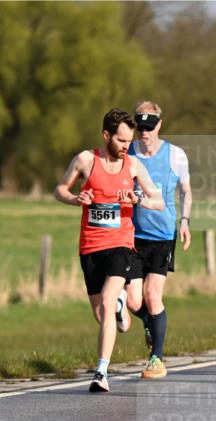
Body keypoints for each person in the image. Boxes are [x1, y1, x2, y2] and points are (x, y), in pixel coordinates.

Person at [54, 108, 164, 393]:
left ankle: (101, 372)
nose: (126, 146)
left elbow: (159, 201)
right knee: (102, 314)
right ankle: (118, 308)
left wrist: (138, 199)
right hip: (90, 246)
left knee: (106, 298)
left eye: (129, 141)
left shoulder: (134, 166)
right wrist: (76, 198)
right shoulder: (86, 160)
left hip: (121, 245)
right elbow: (59, 189)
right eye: (121, 141)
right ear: (106, 136)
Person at [125, 101, 193, 379]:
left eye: (150, 127)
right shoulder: (127, 152)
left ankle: (157, 358)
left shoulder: (175, 155)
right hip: (131, 234)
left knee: (153, 296)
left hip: (163, 235)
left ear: (159, 125)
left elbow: (186, 191)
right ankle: (152, 325)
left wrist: (185, 221)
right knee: (132, 301)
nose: (145, 133)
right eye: (140, 127)